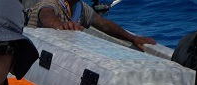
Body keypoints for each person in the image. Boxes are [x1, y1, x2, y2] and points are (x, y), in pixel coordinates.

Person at [26, 0, 156, 51]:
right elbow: (46, 14)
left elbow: (104, 24)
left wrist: (132, 38)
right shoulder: (51, 2)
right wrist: (60, 25)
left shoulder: (80, 8)